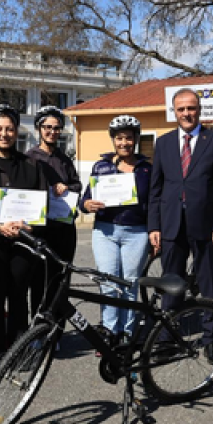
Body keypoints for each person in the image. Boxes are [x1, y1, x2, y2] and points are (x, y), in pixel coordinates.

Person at [147, 88, 213, 361]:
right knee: (170, 284)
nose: (187, 113)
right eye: (181, 109)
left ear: (199, 110)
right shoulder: (163, 143)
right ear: (174, 112)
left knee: (209, 284)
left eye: (191, 108)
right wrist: (154, 227)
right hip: (171, 224)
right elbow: (156, 189)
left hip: (206, 227)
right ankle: (168, 337)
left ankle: (211, 338)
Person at [0, 104, 47, 373]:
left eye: (9, 129)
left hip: (23, 241)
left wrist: (30, 225)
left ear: (17, 132)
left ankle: (19, 347)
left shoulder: (31, 165)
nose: (4, 134)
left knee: (18, 295)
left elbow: (41, 202)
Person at [80, 115, 153, 337]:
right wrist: (86, 204)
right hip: (105, 231)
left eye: (129, 138)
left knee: (130, 285)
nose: (124, 143)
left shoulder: (146, 169)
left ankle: (127, 333)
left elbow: (154, 203)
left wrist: (154, 232)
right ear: (113, 140)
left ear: (136, 139)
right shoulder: (101, 166)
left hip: (136, 232)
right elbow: (85, 200)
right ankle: (110, 331)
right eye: (119, 138)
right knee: (108, 283)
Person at [26, 106, 82, 317]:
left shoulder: (64, 159)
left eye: (57, 128)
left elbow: (77, 186)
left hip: (64, 228)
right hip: (40, 230)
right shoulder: (29, 158)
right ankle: (38, 329)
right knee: (39, 282)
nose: (52, 131)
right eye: (47, 127)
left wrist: (67, 188)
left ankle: (56, 331)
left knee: (61, 280)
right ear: (39, 129)